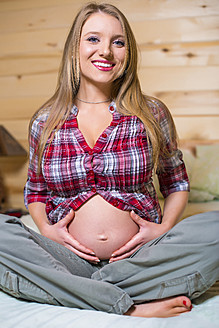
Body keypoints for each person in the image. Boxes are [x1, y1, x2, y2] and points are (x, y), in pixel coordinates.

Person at [0, 2, 218, 318]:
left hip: (142, 257)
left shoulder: (151, 113)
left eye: (118, 41)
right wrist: (48, 232)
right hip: (65, 258)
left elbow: (177, 182)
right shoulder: (44, 121)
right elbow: (35, 192)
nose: (106, 51)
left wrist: (164, 228)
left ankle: (78, 290)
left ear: (127, 53)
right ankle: (126, 306)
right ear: (74, 48)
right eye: (93, 39)